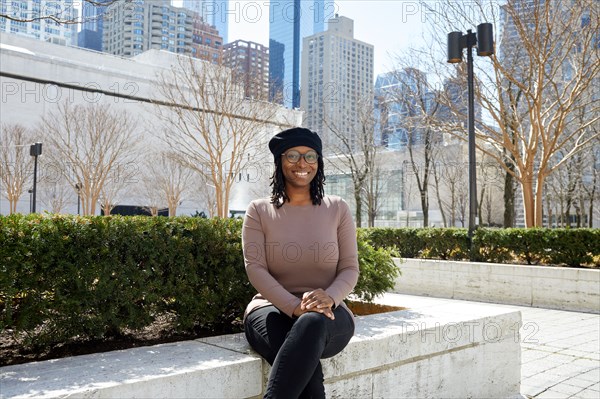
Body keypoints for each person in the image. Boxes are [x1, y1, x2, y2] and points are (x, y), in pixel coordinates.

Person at [242, 127, 359, 399]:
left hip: (330, 313)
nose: (302, 163)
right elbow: (255, 268)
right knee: (306, 372)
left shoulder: (337, 208)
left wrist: (329, 298)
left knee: (312, 324)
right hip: (270, 310)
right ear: (279, 161)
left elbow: (350, 268)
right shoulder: (259, 210)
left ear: (318, 163)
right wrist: (294, 306)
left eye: (310, 156)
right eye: (292, 155)